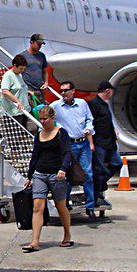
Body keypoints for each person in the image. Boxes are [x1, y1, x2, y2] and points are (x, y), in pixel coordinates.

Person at [22, 105, 73, 252]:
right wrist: (29, 175)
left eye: (45, 119)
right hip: (40, 173)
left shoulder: (61, 133)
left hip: (56, 174)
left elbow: (67, 153)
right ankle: (35, 241)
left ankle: (67, 235)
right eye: (41, 119)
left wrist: (63, 169)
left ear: (52, 118)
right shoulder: (39, 135)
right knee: (37, 206)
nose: (42, 122)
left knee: (60, 206)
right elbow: (35, 156)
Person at [50, 81, 97, 218]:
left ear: (73, 91)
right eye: (61, 91)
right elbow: (46, 116)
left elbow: (89, 119)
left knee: (88, 174)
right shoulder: (56, 106)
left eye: (65, 90)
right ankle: (66, 204)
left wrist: (89, 129)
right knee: (68, 175)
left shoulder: (82, 104)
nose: (63, 93)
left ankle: (90, 206)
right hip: (68, 145)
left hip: (83, 143)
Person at [88, 81, 124, 207]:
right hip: (99, 143)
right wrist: (91, 142)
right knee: (99, 169)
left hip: (109, 142)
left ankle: (100, 184)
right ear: (108, 90)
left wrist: (113, 129)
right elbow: (89, 123)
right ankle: (96, 190)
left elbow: (106, 120)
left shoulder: (105, 105)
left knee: (117, 163)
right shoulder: (93, 104)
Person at [0, 54, 32, 131]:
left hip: (22, 110)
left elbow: (18, 88)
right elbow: (5, 91)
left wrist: (27, 91)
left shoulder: (19, 75)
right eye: (21, 69)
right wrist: (17, 101)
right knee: (15, 134)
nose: (22, 71)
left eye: (23, 69)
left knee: (23, 132)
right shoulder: (8, 75)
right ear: (14, 65)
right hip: (13, 111)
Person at [19, 34, 49, 104]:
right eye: (38, 44)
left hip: (40, 90)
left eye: (41, 44)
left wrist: (46, 82)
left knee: (41, 111)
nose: (39, 46)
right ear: (31, 42)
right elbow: (17, 73)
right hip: (28, 90)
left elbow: (44, 71)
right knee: (30, 112)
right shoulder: (23, 56)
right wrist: (24, 88)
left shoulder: (42, 55)